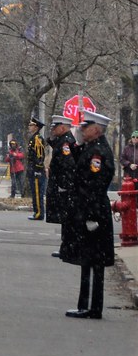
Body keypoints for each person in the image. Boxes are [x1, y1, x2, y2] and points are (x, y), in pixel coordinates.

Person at [61, 110, 115, 320]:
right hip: (89, 209)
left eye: (85, 127)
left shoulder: (98, 153)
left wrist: (91, 215)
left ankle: (93, 307)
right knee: (88, 259)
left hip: (94, 212)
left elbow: (95, 185)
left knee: (94, 261)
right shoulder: (91, 148)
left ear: (96, 129)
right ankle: (85, 305)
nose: (82, 130)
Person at [46, 114, 76, 258]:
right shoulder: (62, 140)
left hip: (64, 187)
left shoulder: (66, 143)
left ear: (63, 127)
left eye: (55, 127)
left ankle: (67, 248)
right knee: (65, 219)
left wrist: (63, 186)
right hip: (61, 185)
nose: (53, 129)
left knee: (67, 219)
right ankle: (66, 247)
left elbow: (68, 165)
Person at [26, 117, 46, 220]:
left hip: (36, 170)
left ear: (36, 127)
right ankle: (36, 211)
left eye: (31, 125)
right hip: (32, 169)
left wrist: (38, 169)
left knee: (38, 193)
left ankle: (39, 213)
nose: (29, 127)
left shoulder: (37, 138)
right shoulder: (33, 138)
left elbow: (40, 156)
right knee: (35, 192)